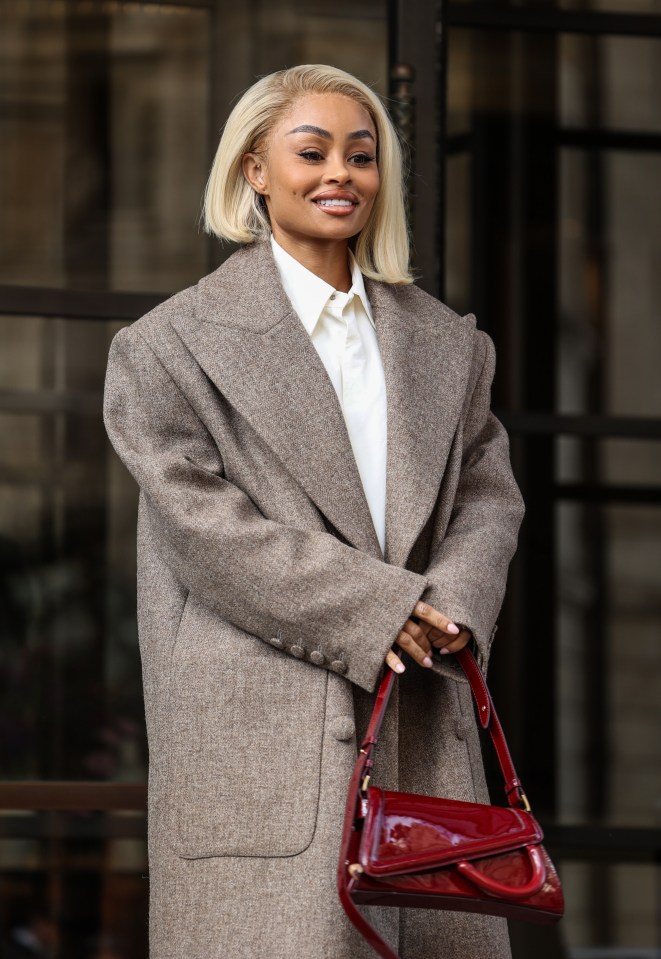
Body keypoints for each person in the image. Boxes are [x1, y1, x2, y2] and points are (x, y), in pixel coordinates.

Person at [103, 64, 525, 959]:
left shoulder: (448, 343)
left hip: (424, 754)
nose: (341, 173)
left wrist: (448, 606)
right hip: (256, 767)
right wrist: (379, 611)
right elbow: (202, 525)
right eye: (312, 150)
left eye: (362, 155)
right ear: (254, 169)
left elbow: (489, 491)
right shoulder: (168, 345)